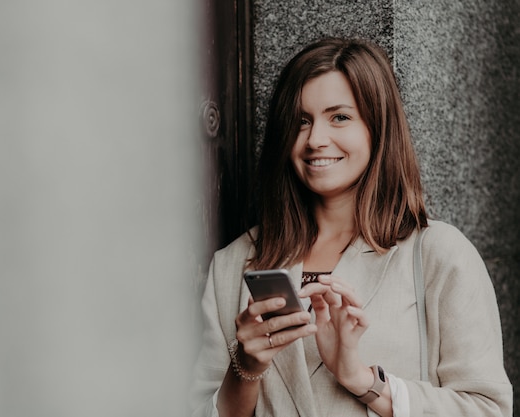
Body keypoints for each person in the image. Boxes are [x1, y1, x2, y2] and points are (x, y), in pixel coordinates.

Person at [190, 37, 512, 417]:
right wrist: (246, 367)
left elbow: (488, 409)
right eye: (301, 121)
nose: (315, 140)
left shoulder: (438, 254)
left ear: (378, 127)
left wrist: (362, 379)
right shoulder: (234, 264)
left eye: (339, 117)